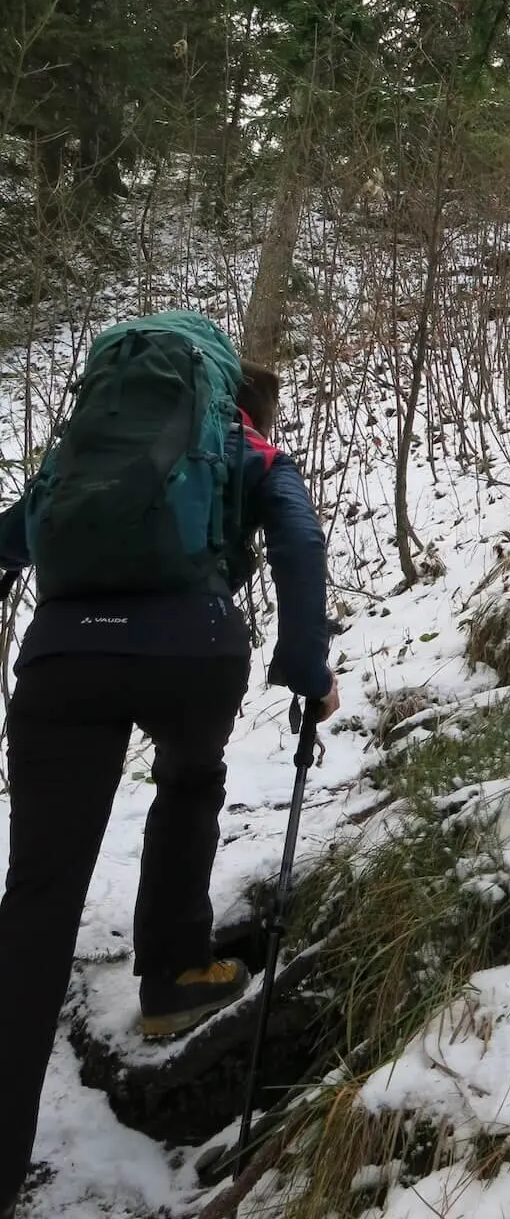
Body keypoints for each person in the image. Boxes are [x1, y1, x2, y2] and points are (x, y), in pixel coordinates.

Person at [0, 336, 337, 1219]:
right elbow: (299, 537)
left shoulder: (86, 451)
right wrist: (307, 664)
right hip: (194, 649)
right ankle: (172, 977)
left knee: (38, 893)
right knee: (188, 784)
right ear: (242, 400)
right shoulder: (244, 443)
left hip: (65, 655)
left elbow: (15, 534)